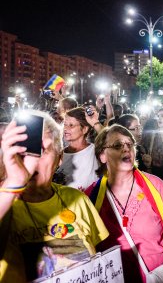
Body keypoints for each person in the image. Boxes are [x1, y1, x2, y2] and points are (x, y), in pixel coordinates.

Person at [0, 110, 109, 282]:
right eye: (23, 150)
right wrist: (14, 182)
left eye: (41, 150)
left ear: (59, 158)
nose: (31, 160)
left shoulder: (77, 199)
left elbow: (97, 261)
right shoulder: (4, 203)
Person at [86, 124, 163, 282]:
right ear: (102, 155)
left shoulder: (155, 185)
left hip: (161, 275)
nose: (126, 149)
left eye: (129, 144)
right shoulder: (90, 197)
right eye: (117, 145)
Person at [54, 107, 99, 190]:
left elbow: (115, 141)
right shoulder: (59, 154)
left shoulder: (95, 151)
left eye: (71, 125)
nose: (66, 129)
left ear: (85, 129)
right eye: (65, 124)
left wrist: (95, 123)